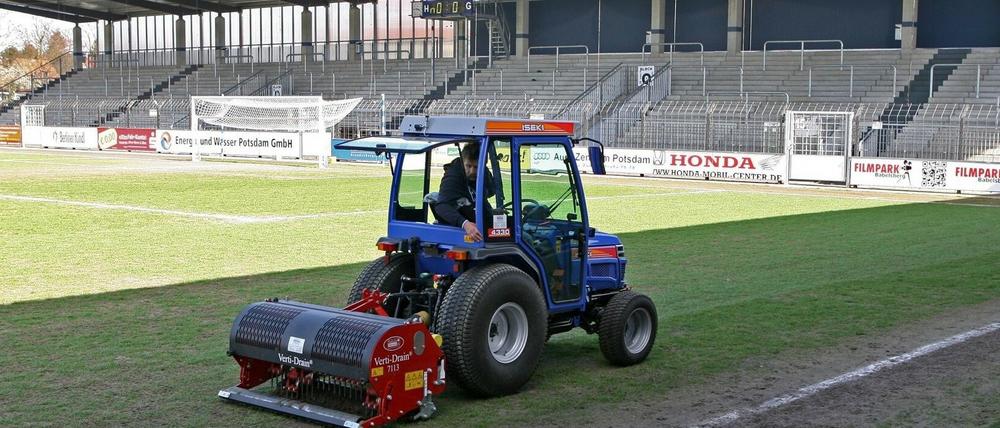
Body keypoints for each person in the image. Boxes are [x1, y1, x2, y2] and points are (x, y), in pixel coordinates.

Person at [432, 143, 493, 242]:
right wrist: (465, 224)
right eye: (468, 166)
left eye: (476, 167)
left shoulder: (484, 174)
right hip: (460, 231)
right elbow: (441, 206)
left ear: (483, 165)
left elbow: (489, 193)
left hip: (480, 226)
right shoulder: (453, 176)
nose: (472, 171)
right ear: (462, 161)